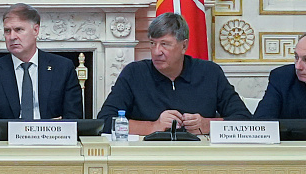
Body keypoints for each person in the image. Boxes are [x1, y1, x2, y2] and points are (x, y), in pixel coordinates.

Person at [99, 13, 250, 135]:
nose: (156, 52)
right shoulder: (134, 73)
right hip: (147, 156)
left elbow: (245, 120)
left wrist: (207, 125)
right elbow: (105, 121)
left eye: (164, 44)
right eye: (152, 43)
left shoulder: (209, 73)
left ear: (184, 46)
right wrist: (153, 126)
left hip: (199, 156)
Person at [0, 4, 84, 130]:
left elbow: (74, 118)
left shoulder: (63, 68)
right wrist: (25, 129)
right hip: (8, 141)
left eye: (19, 29)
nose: (12, 37)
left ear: (35, 30)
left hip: (52, 139)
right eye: (7, 31)